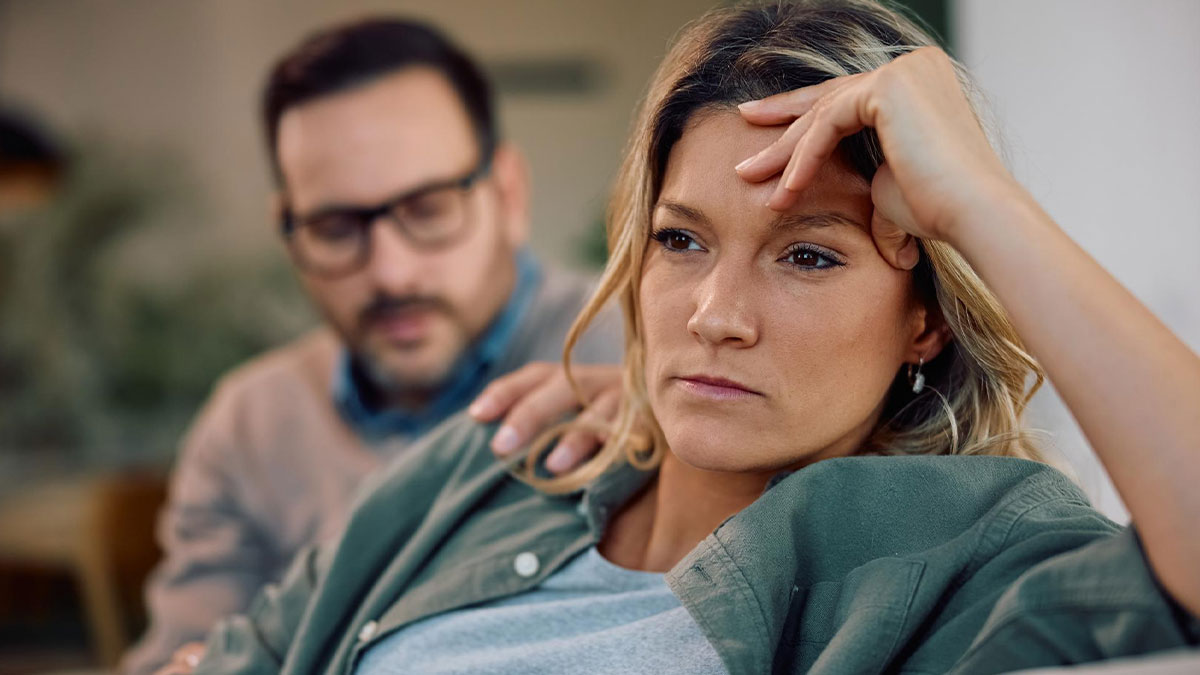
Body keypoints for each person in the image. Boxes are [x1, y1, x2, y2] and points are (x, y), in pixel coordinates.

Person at [165, 1, 1200, 673]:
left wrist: (981, 201)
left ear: (926, 317)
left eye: (808, 255)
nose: (714, 315)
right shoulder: (490, 469)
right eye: (681, 239)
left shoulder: (962, 554)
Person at [122, 18, 624, 675]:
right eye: (335, 227)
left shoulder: (645, 353)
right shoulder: (250, 424)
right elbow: (185, 654)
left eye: (428, 208)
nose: (390, 272)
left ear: (508, 194)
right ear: (289, 232)